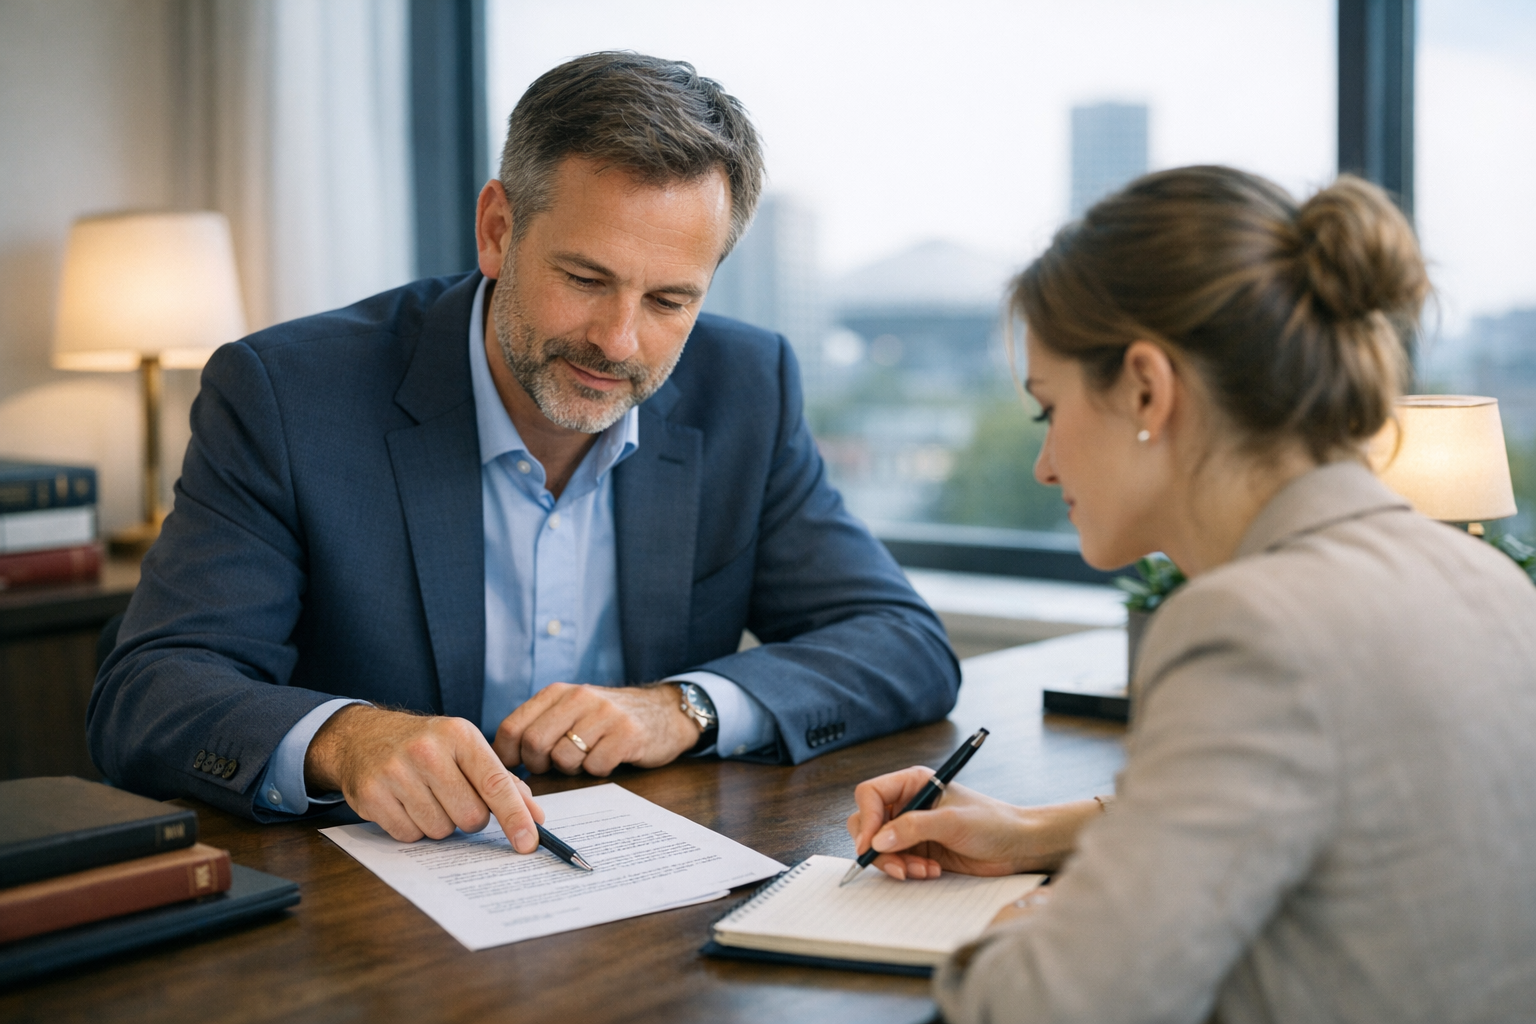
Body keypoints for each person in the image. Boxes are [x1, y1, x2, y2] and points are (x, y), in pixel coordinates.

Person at [90, 52, 958, 852]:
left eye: (668, 300)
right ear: (498, 228)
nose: (618, 341)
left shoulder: (746, 385)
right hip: (367, 917)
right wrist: (348, 739)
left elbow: (903, 642)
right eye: (584, 279)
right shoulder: (286, 394)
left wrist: (684, 707)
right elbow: (149, 692)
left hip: (644, 895)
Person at [846, 167, 1536, 1022]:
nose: (1045, 464)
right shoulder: (1486, 580)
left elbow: (1045, 1006)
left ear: (1146, 387)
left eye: (1046, 410)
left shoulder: (1252, 625)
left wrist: (1031, 922)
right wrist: (1035, 836)